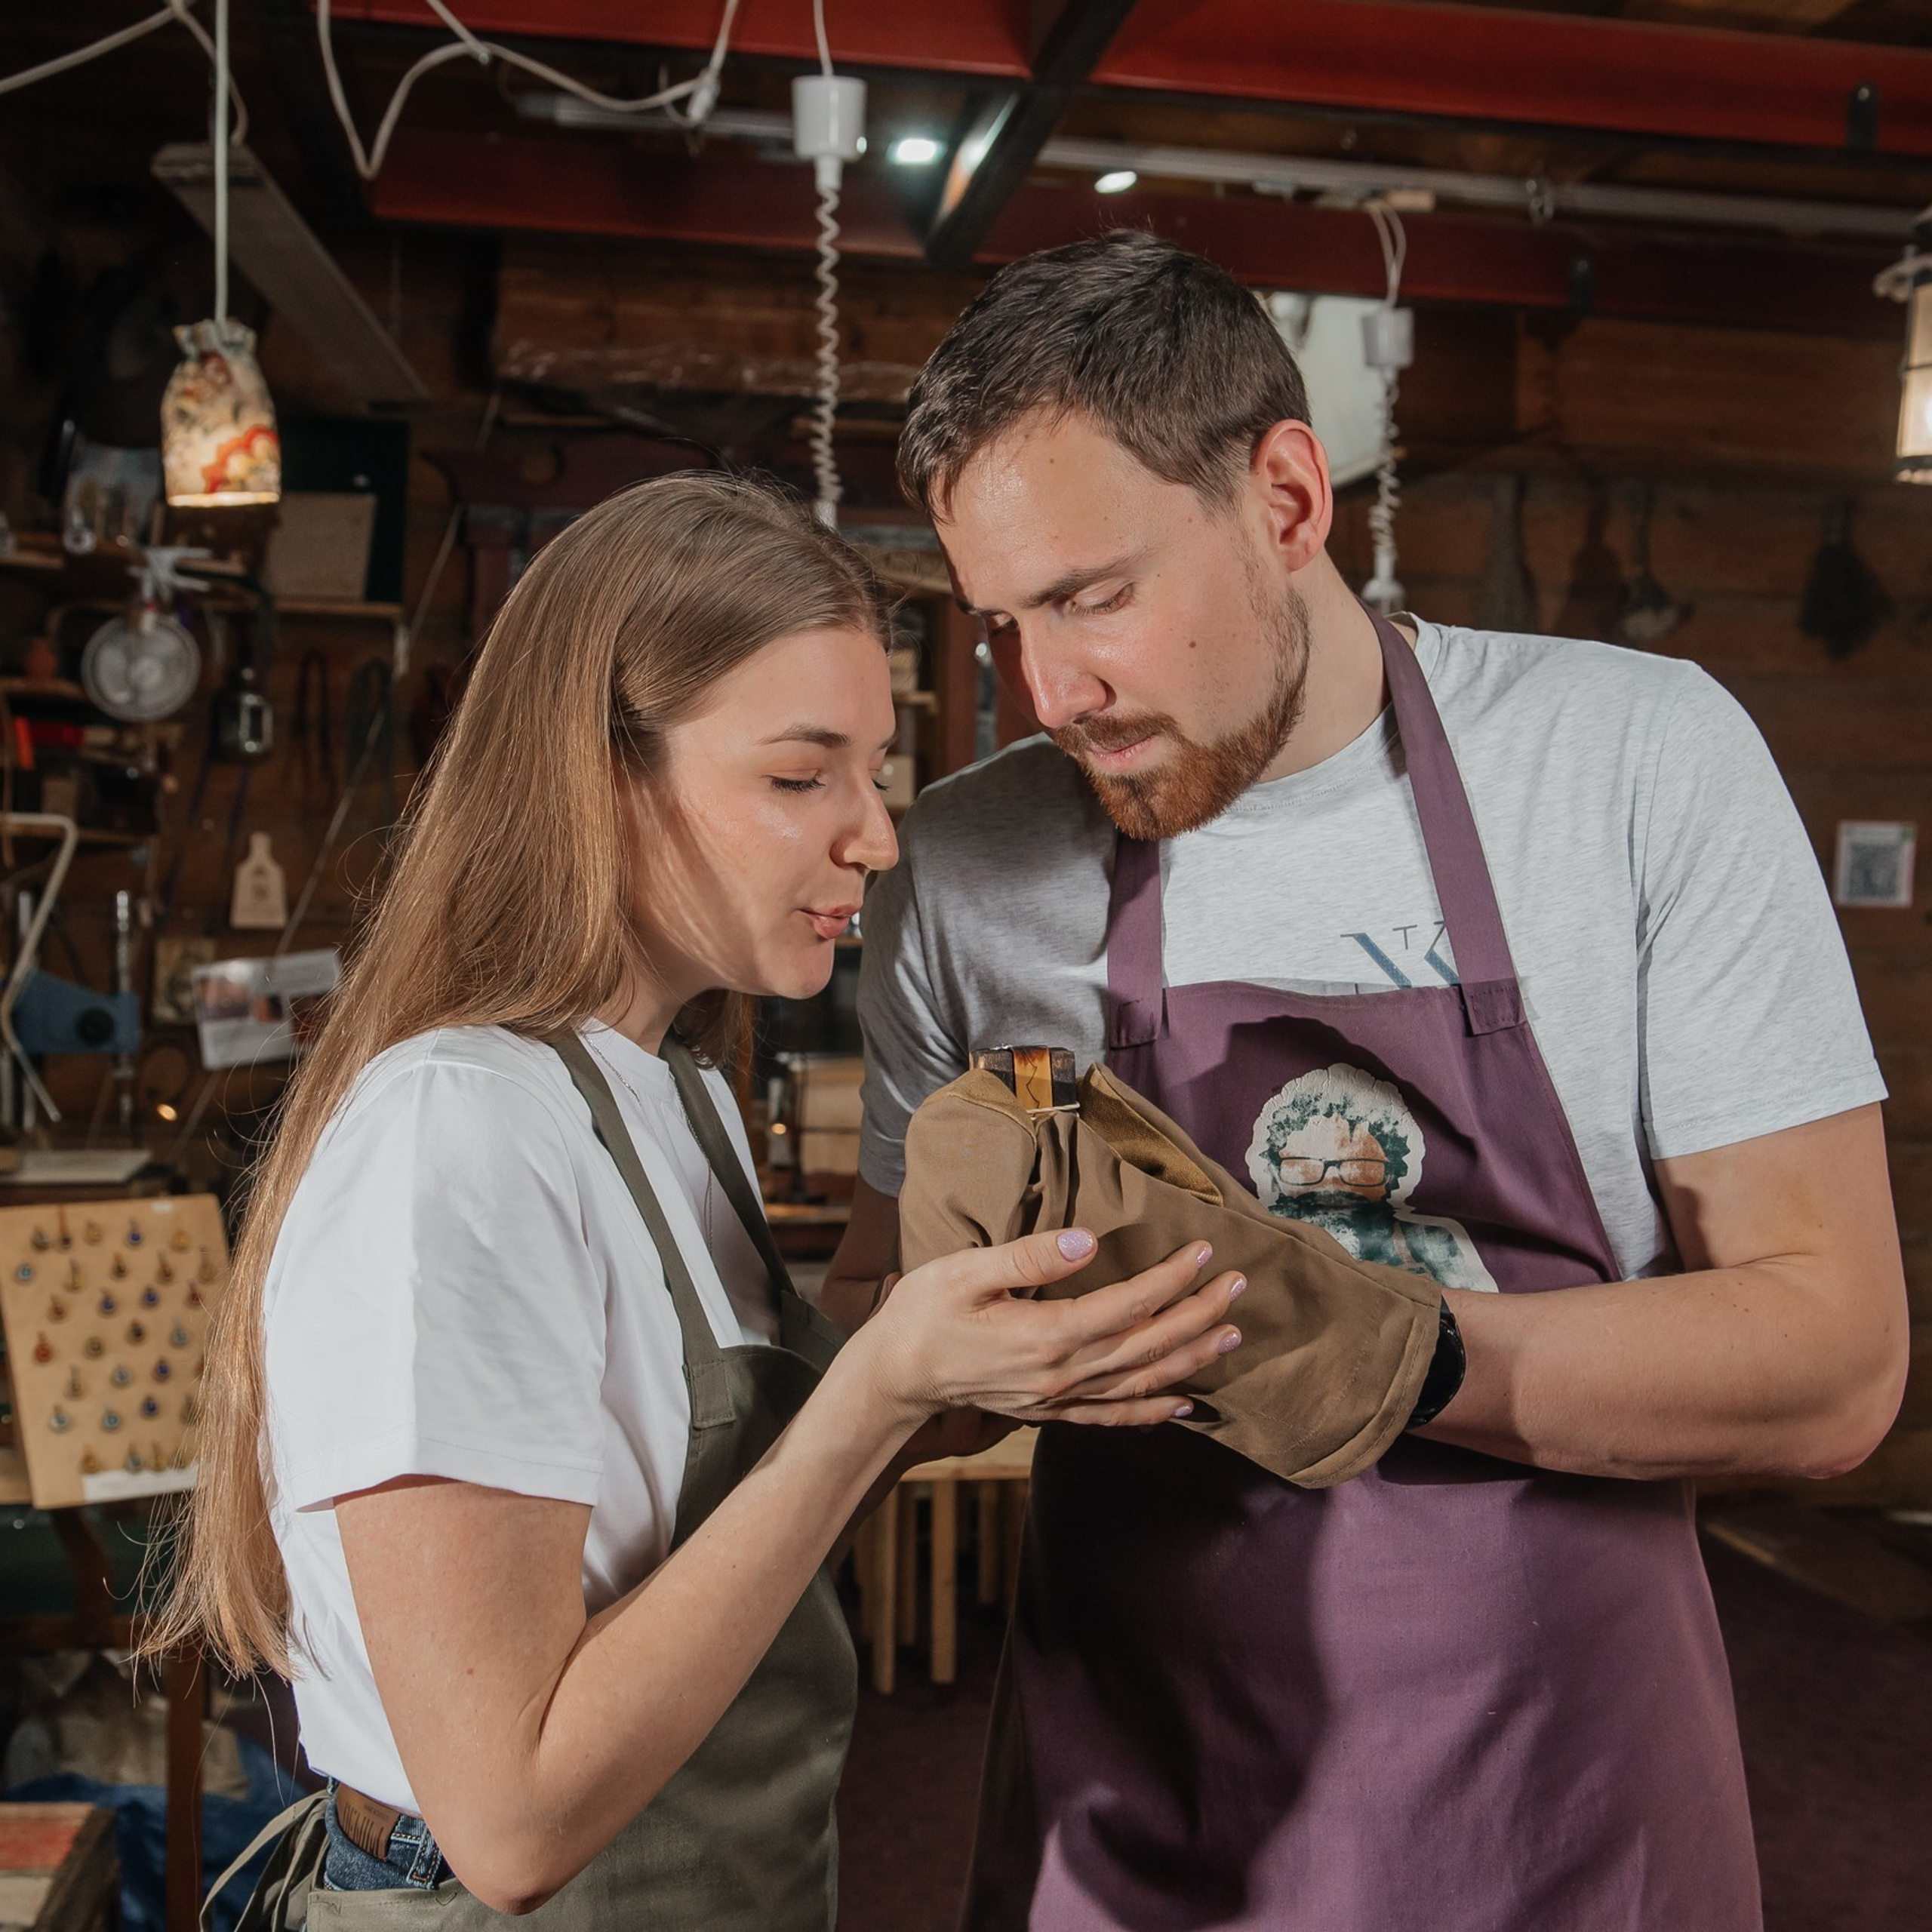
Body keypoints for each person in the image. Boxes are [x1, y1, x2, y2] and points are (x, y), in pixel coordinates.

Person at [827, 233, 1909, 1931]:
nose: (1051, 691)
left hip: (1566, 1810)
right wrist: (934, 1332)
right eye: (1004, 621)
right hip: (1143, 1808)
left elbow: (1831, 1363)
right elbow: (895, 1361)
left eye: (1094, 594)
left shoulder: (1628, 759)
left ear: (1282, 493)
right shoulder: (964, 866)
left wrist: (1366, 1346)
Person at [153, 472, 1246, 1929]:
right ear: (601, 774)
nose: (875, 838)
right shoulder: (460, 1131)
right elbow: (511, 1820)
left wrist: (992, 1370)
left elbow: (695, 1521)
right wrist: (874, 1398)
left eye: (873, 773)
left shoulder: (675, 1092)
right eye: (801, 778)